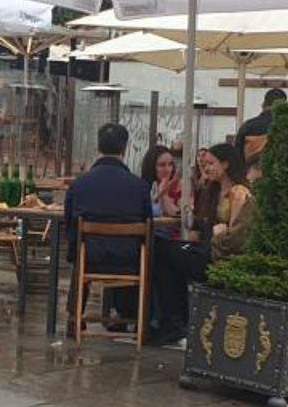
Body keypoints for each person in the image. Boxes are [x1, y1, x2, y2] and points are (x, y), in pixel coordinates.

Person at [151, 142, 254, 345]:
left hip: (221, 255)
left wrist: (215, 235)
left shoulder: (238, 193)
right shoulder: (211, 192)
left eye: (210, 163)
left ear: (225, 164)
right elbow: (201, 230)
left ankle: (174, 322)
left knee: (162, 251)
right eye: (204, 164)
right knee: (165, 256)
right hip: (207, 249)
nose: (206, 168)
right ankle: (175, 322)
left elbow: (234, 235)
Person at [64, 123, 152, 331]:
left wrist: (74, 251)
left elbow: (69, 224)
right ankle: (130, 315)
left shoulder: (80, 184)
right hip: (129, 260)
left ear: (98, 147)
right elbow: (148, 224)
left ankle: (73, 315)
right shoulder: (139, 186)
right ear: (125, 148)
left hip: (90, 257)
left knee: (80, 252)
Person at [238, 88, 287, 164]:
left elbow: (237, 155)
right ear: (285, 107)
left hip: (252, 171)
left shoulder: (248, 126)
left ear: (263, 105)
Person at [139, 145, 180, 219]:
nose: (168, 169)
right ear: (151, 166)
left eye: (170, 164)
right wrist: (158, 195)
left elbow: (177, 215)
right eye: (162, 165)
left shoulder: (179, 187)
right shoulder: (142, 187)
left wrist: (164, 195)